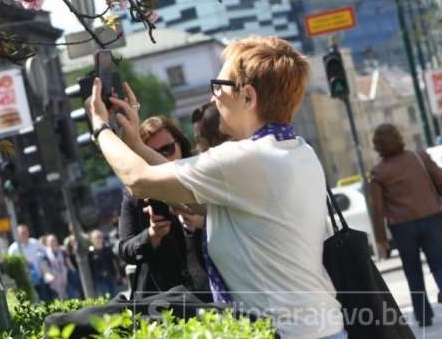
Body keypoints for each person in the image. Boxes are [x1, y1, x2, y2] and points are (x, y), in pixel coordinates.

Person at [86, 36, 346, 339]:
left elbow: (138, 180)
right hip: (320, 328)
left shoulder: (245, 160)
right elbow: (186, 193)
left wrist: (101, 129)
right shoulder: (296, 150)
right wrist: (132, 140)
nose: (213, 99)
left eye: (218, 87)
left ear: (248, 97)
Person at [117, 116, 210, 300]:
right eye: (150, 152)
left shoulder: (203, 179)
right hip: (162, 301)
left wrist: (203, 223)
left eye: (167, 149)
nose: (160, 157)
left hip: (211, 295)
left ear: (181, 146)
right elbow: (125, 249)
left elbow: (238, 227)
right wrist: (152, 236)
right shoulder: (136, 194)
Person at [370, 123, 442, 327]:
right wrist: (433, 196)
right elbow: (441, 180)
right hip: (431, 217)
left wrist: (381, 239)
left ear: (377, 146)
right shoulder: (419, 157)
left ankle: (423, 315)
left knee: (412, 271)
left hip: (402, 227)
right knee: (440, 264)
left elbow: (378, 210)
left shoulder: (378, 173)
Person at [8, 224, 55, 302]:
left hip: (39, 279)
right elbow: (10, 264)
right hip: (25, 282)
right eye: (22, 233)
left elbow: (47, 251)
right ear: (17, 234)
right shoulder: (13, 248)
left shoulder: (34, 242)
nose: (24, 234)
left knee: (45, 300)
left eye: (26, 232)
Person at [88, 229, 122, 298]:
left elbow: (115, 262)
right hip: (100, 279)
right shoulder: (90, 253)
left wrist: (119, 274)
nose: (99, 239)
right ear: (92, 240)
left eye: (100, 237)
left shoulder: (108, 249)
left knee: (115, 295)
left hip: (111, 276)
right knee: (106, 297)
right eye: (96, 237)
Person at [44, 234, 70, 300]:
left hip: (65, 276)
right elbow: (45, 268)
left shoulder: (62, 251)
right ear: (47, 243)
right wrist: (49, 276)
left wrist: (73, 271)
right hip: (54, 280)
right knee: (58, 298)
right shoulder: (45, 254)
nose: (53, 242)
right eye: (51, 241)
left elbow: (68, 263)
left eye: (54, 240)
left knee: (69, 295)